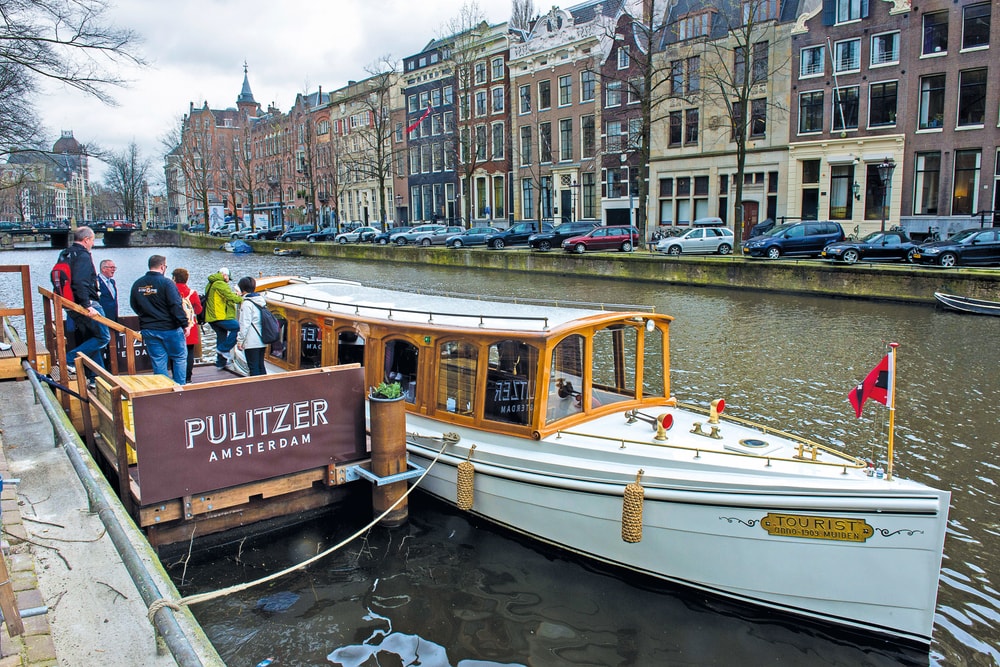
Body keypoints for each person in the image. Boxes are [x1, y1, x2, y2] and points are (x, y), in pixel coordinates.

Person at [130, 255, 188, 385]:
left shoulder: (138, 284)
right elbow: (175, 305)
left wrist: (146, 316)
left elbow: (133, 304)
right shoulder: (167, 283)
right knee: (179, 357)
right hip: (170, 328)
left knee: (158, 360)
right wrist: (184, 324)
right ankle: (180, 388)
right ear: (162, 267)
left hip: (149, 328)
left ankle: (163, 389)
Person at [61, 226, 110, 379]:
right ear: (86, 239)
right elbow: (80, 282)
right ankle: (70, 359)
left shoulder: (65, 253)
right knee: (103, 337)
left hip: (69, 303)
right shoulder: (82, 255)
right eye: (92, 240)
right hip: (87, 303)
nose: (93, 244)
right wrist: (87, 305)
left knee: (92, 339)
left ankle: (96, 378)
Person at [204, 267, 243, 369]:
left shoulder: (211, 283)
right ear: (224, 275)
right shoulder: (220, 284)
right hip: (219, 316)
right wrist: (241, 297)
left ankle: (221, 363)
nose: (228, 281)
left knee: (221, 337)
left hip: (212, 317)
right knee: (238, 328)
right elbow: (232, 298)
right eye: (228, 278)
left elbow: (223, 296)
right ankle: (224, 349)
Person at [172, 267, 202, 384]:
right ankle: (188, 377)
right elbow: (199, 310)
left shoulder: (171, 292)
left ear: (174, 278)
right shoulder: (192, 293)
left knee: (176, 352)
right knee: (189, 352)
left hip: (175, 325)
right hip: (190, 325)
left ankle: (177, 377)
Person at [235, 276, 267, 377]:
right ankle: (266, 388)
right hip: (262, 339)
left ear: (242, 289)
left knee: (253, 367)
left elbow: (244, 324)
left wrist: (240, 341)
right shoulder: (261, 300)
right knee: (261, 366)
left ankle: (257, 390)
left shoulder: (247, 303)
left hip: (252, 341)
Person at [96, 258, 119, 369]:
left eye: (114, 267)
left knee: (112, 347)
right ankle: (100, 371)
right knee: (100, 346)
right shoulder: (96, 282)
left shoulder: (112, 282)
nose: (114, 270)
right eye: (111, 267)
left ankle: (111, 369)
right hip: (101, 320)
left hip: (112, 320)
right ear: (103, 268)